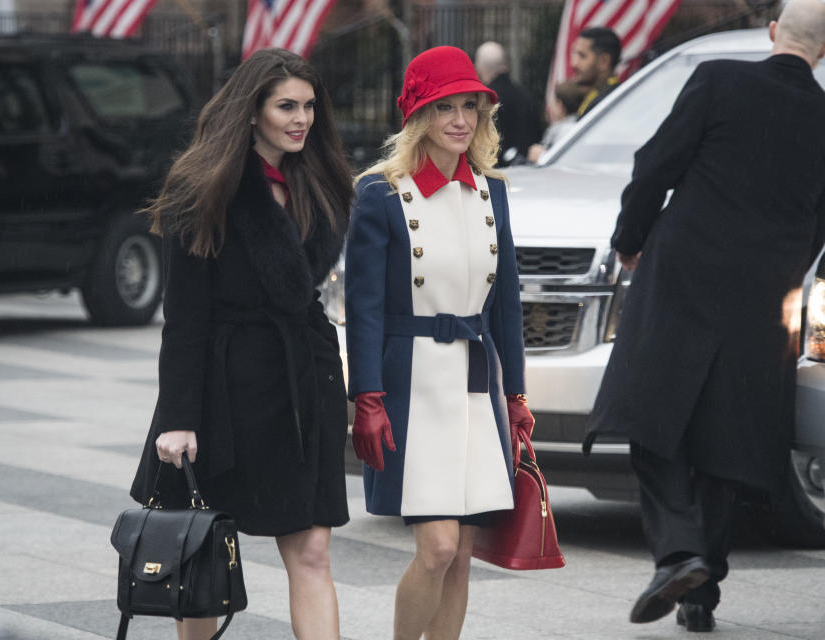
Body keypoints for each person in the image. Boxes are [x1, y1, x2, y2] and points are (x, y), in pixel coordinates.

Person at [586, 0, 825, 632]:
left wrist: (630, 239)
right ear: (822, 50)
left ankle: (680, 554)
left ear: (771, 34)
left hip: (681, 273)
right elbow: (819, 222)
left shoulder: (717, 79)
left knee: (650, 416)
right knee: (723, 445)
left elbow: (655, 165)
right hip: (761, 297)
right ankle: (700, 593)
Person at [129, 48, 354, 640]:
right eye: (286, 106)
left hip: (302, 387)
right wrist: (177, 419)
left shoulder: (321, 180)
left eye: (309, 106)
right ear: (252, 111)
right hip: (223, 394)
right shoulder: (202, 185)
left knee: (311, 553)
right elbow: (183, 317)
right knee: (199, 551)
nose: (301, 118)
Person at [345, 45, 533, 640]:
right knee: (438, 546)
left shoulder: (491, 191)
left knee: (463, 552)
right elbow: (364, 309)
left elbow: (506, 305)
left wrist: (517, 397)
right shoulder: (380, 194)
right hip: (412, 385)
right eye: (444, 107)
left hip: (477, 384)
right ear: (418, 116)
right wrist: (367, 395)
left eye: (470, 107)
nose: (460, 120)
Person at [473, 41, 542, 165]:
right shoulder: (524, 95)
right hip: (528, 168)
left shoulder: (486, 99)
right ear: (506, 64)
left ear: (479, 68)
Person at [527, 80, 589, 163]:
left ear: (559, 104)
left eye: (554, 101)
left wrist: (541, 156)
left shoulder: (564, 130)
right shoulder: (582, 125)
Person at [571, 26, 621, 119]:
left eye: (582, 56)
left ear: (604, 61)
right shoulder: (597, 97)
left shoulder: (607, 104)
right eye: (574, 54)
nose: (574, 64)